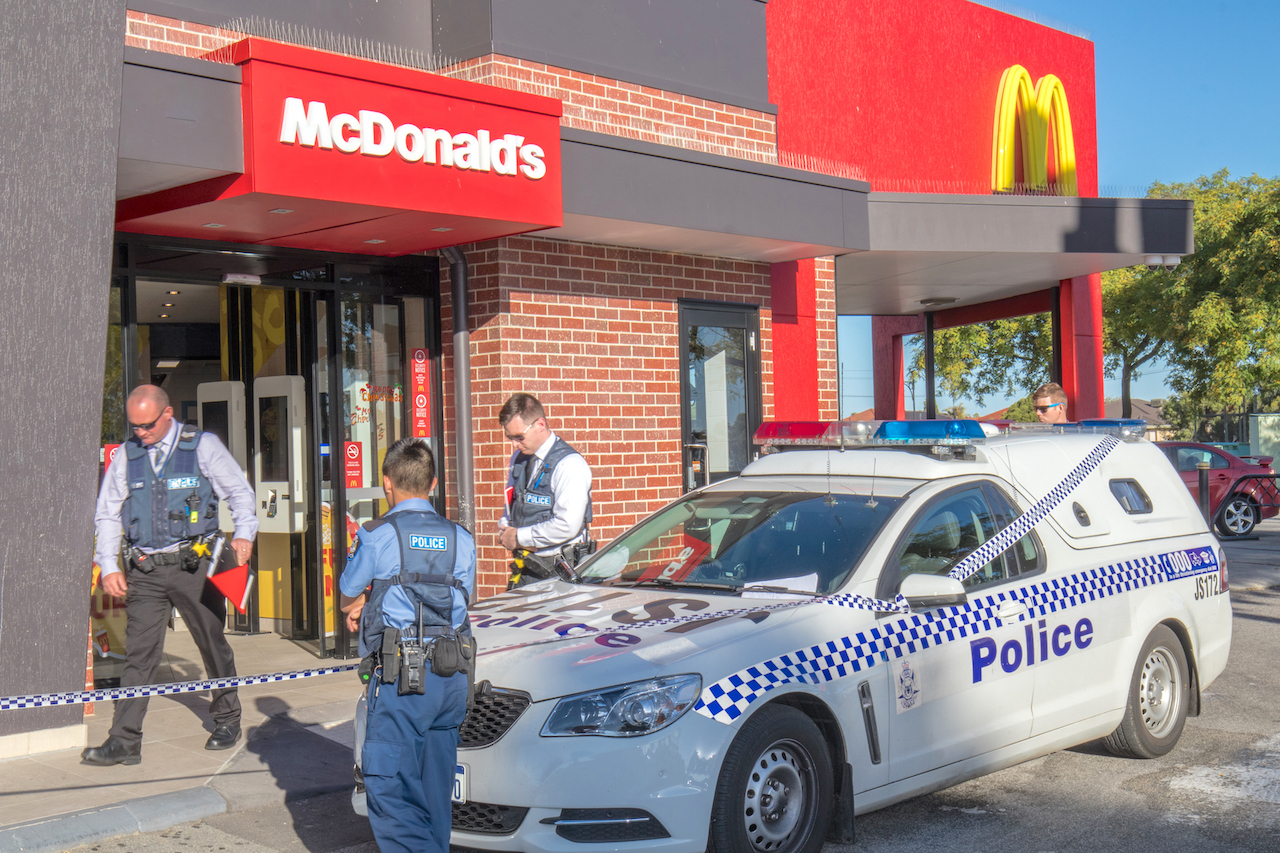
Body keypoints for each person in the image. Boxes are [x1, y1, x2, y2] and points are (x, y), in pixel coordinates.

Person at [82, 385, 257, 766]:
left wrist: (245, 532)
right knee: (139, 656)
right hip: (144, 570)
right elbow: (108, 513)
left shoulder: (203, 446)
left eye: (146, 426)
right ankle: (124, 741)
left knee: (211, 642)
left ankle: (227, 719)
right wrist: (109, 565)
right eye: (134, 427)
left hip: (193, 565)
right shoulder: (128, 456)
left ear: (167, 414)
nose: (139, 433)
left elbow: (239, 493)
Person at [339, 438, 475, 853]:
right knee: (435, 794)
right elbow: (464, 597)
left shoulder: (379, 534)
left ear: (386, 484)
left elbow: (348, 586)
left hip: (404, 680)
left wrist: (361, 602)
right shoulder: (460, 537)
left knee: (392, 790)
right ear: (432, 483)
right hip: (451, 678)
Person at [496, 393, 594, 581]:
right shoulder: (519, 459)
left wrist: (520, 537)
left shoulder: (569, 464)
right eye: (510, 438)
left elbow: (567, 525)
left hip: (561, 571)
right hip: (526, 566)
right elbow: (511, 505)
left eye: (519, 437)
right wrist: (506, 528)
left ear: (540, 424)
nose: (515, 444)